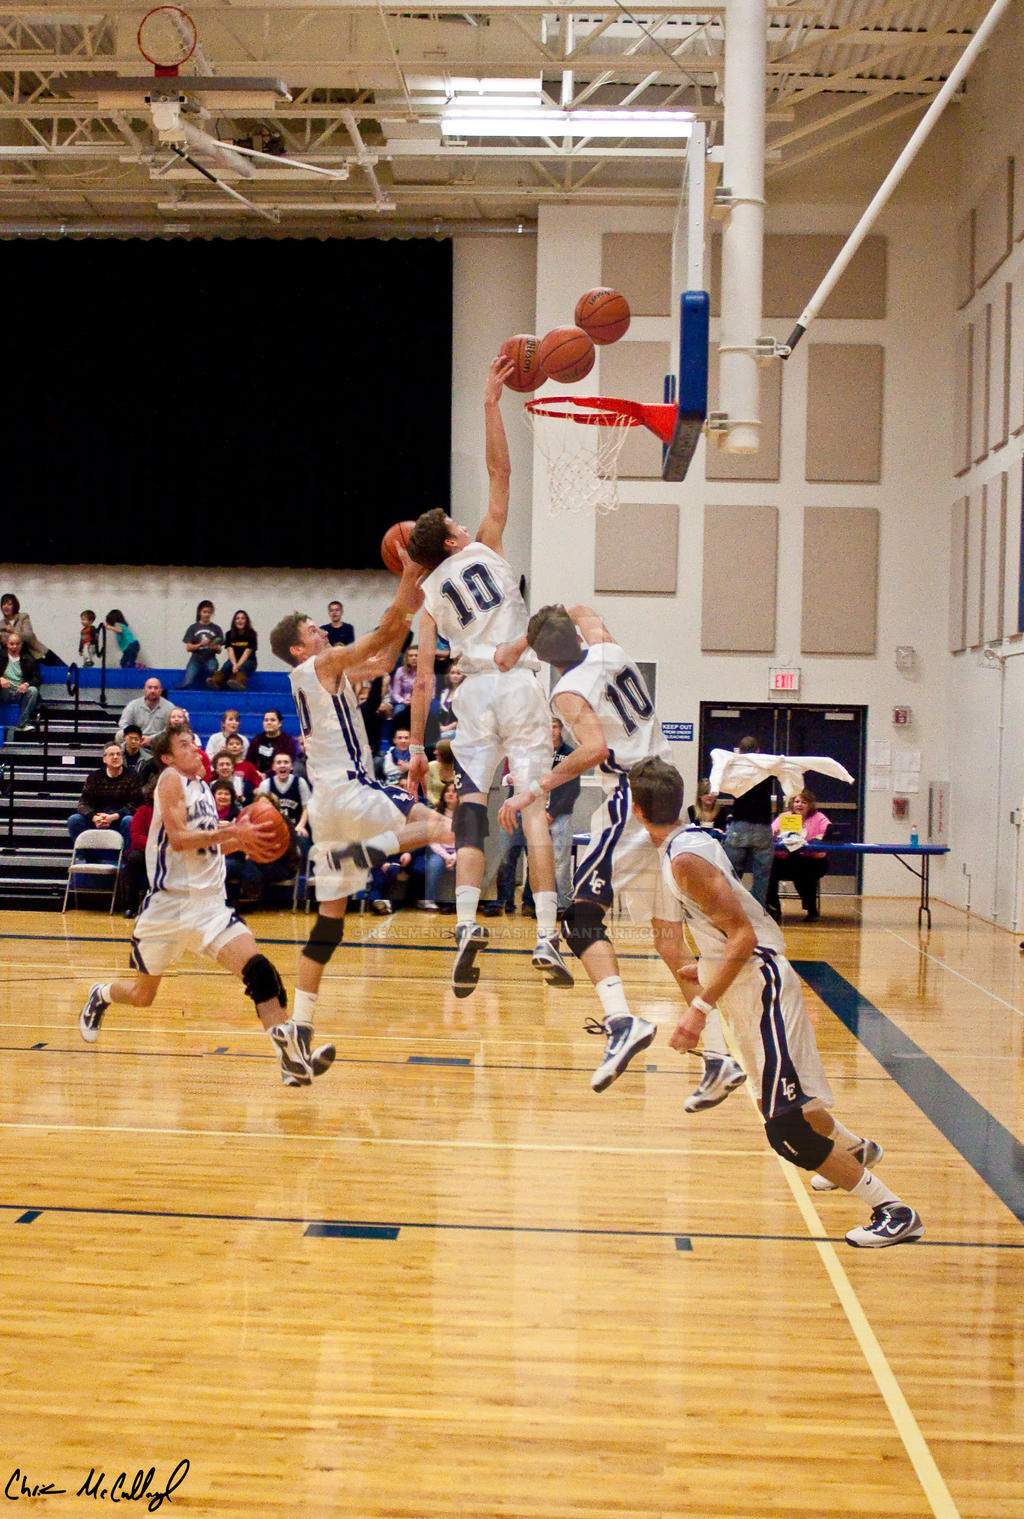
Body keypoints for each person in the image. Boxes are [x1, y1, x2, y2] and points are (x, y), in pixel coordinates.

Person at [628, 755, 924, 1249]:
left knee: (786, 1131)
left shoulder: (685, 858)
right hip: (745, 981)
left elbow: (743, 936)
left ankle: (893, 1210)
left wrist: (697, 1010)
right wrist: (701, 966)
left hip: (759, 983)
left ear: (636, 810)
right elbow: (724, 932)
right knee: (795, 1103)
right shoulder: (686, 845)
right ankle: (857, 1151)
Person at [498, 602, 743, 1107]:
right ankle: (720, 1056)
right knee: (668, 942)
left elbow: (592, 749)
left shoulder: (567, 690)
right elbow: (583, 608)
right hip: (667, 785)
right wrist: (534, 633)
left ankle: (621, 1021)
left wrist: (532, 790)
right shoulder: (609, 647)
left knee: (581, 919)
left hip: (630, 797)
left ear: (544, 658)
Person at [406, 354, 571, 998]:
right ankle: (546, 936)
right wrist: (489, 403)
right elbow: (501, 470)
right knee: (533, 810)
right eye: (454, 525)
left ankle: (468, 924)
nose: (465, 525)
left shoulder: (426, 600)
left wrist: (418, 750)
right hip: (520, 681)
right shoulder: (486, 548)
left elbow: (423, 679)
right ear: (450, 542)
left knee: (471, 813)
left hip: (470, 694)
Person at [78, 723, 332, 1089]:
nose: (195, 748)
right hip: (169, 908)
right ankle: (100, 994)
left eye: (194, 742)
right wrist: (234, 833)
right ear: (167, 757)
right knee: (142, 995)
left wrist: (242, 841)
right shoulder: (170, 780)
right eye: (184, 745)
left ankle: (290, 1061)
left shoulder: (204, 788)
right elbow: (180, 839)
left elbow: (208, 846)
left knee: (260, 972)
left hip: (210, 906)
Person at [268, 555, 455, 1037]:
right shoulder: (321, 663)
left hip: (329, 804)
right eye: (313, 628)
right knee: (447, 828)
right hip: (351, 790)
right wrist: (411, 575)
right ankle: (368, 853)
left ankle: (299, 1024)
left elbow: (383, 660)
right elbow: (378, 635)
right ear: (297, 646)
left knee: (330, 924)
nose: (322, 632)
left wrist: (407, 614)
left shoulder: (325, 675)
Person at [715, 736, 777, 907]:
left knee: (731, 874)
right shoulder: (766, 767)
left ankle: (729, 912)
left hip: (740, 825)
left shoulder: (735, 768)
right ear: (758, 751)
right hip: (763, 827)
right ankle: (757, 915)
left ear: (739, 751)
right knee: (762, 877)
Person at [767, 789, 831, 923]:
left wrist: (819, 838)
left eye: (804, 802)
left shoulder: (819, 817)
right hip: (785, 859)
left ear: (810, 805)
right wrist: (775, 833)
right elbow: (771, 833)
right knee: (767, 871)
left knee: (803, 873)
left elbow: (829, 833)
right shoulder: (785, 816)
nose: (799, 805)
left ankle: (811, 910)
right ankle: (773, 909)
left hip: (811, 860)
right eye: (796, 801)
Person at [68, 740, 143, 850]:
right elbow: (82, 804)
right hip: (98, 818)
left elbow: (136, 804)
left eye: (118, 754)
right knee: (74, 820)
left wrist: (113, 817)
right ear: (104, 759)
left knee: (129, 821)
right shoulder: (94, 777)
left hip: (119, 818)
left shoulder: (133, 776)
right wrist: (94, 817)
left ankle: (124, 860)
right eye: (111, 755)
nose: (115, 757)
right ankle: (85, 856)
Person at [257, 751, 312, 856]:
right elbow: (260, 812)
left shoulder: (300, 782)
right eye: (279, 762)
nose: (282, 765)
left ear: (291, 766)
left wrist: (300, 826)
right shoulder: (266, 784)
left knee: (303, 840)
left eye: (286, 762)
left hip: (296, 827)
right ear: (273, 767)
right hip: (274, 829)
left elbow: (306, 808)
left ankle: (304, 872)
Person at [422, 782, 459, 910]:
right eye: (447, 791)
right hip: (438, 851)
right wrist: (446, 856)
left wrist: (454, 856)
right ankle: (429, 900)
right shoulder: (435, 813)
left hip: (458, 852)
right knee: (434, 865)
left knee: (465, 865)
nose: (450, 794)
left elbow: (466, 840)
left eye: (454, 791)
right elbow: (432, 839)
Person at [0, 630, 42, 732]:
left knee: (33, 691)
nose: (14, 647)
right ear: (7, 644)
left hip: (20, 692)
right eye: (12, 644)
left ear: (21, 645)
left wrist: (27, 684)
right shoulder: (0, 656)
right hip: (4, 691)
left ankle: (22, 724)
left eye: (17, 644)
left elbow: (37, 678)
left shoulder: (29, 659)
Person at [207, 609, 258, 691]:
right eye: (237, 618)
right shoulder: (229, 634)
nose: (240, 620)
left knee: (243, 667)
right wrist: (234, 664)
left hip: (249, 661)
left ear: (246, 621)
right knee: (226, 666)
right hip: (234, 660)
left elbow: (247, 653)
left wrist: (237, 665)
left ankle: (239, 683)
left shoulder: (252, 634)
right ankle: (215, 681)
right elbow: (230, 651)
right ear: (234, 621)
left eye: (242, 618)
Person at [116, 677, 173, 748]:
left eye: (156, 688)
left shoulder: (169, 707)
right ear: (144, 690)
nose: (152, 691)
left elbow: (169, 729)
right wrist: (135, 735)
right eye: (149, 687)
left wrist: (151, 739)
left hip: (158, 740)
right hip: (136, 738)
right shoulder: (133, 704)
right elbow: (123, 723)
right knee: (120, 734)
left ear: (160, 691)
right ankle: (124, 757)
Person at [1, 593, 55, 664]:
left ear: (15, 606)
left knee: (69, 671)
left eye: (9, 604)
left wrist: (13, 631)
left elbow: (29, 636)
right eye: (4, 604)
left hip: (39, 655)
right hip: (23, 661)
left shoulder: (23, 617)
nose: (6, 607)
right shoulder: (1, 624)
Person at [181, 600, 224, 689]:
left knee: (211, 669)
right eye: (204, 612)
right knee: (187, 682)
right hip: (195, 660)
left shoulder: (216, 629)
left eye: (209, 612)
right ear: (199, 612)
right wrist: (200, 644)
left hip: (210, 659)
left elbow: (219, 650)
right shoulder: (193, 628)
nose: (207, 614)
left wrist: (214, 646)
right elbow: (188, 648)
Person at [246, 710, 298, 774]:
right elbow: (249, 761)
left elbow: (287, 763)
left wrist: (266, 775)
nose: (269, 722)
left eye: (272, 720)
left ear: (280, 723)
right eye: (266, 720)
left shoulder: (288, 741)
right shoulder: (257, 740)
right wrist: (256, 774)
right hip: (256, 777)